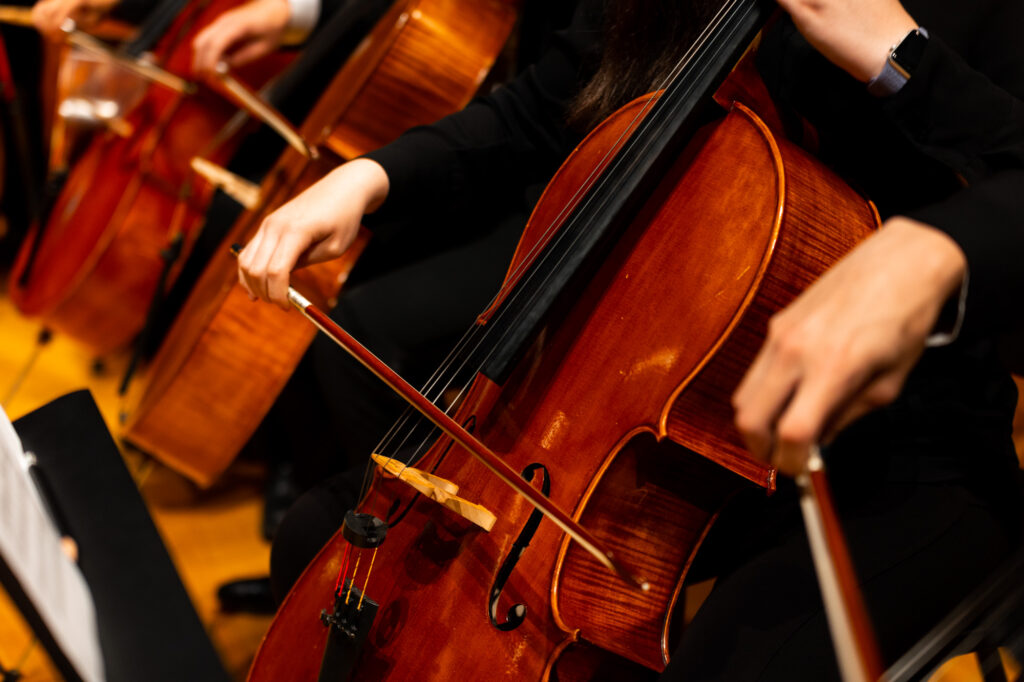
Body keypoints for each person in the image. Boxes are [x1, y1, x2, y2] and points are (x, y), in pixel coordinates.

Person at [238, 0, 1024, 678]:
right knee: (331, 547)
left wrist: (902, 62)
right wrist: (371, 176)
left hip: (899, 450)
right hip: (662, 416)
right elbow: (549, 101)